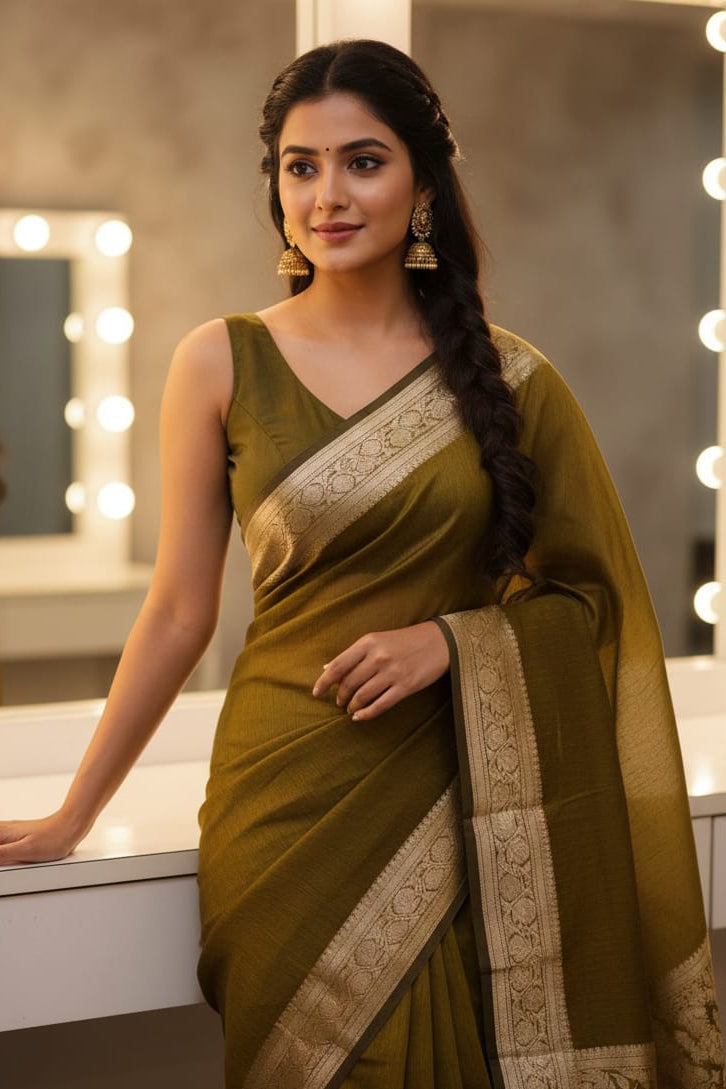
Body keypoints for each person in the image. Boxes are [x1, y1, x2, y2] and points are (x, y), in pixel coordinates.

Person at [0, 38, 722, 1089]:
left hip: (461, 800)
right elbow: (176, 615)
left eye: (363, 161)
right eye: (301, 166)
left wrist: (450, 645)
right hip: (282, 800)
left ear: (423, 184)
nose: (327, 194)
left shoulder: (516, 383)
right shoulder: (220, 360)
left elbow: (595, 605)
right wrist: (76, 810)